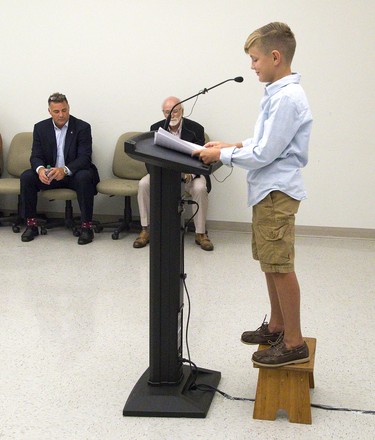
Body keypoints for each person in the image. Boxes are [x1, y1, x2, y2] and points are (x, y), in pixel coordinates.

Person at [193, 22, 312, 367]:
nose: (252, 66)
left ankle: (293, 342)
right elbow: (263, 142)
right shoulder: (277, 93)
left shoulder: (288, 98)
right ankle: (277, 326)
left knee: (280, 266)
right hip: (267, 190)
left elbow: (264, 154)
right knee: (269, 262)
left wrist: (222, 155)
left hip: (276, 191)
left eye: (255, 59)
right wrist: (232, 145)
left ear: (276, 57)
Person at [133, 96, 214, 251]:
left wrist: (190, 172)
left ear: (182, 111)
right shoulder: (156, 128)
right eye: (167, 112)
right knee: (144, 184)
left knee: (200, 188)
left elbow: (202, 157)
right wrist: (160, 173)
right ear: (163, 114)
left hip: (190, 174)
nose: (172, 115)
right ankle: (146, 229)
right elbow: (149, 157)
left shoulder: (196, 128)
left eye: (175, 111)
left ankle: (200, 233)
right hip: (163, 173)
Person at [20, 93, 100, 245]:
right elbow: (35, 156)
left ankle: (86, 227)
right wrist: (41, 170)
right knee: (27, 177)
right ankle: (31, 225)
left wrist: (65, 170)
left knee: (85, 177)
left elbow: (85, 158)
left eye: (64, 110)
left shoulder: (82, 127)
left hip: (73, 174)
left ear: (68, 107)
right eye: (56, 111)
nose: (61, 115)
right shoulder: (40, 128)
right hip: (51, 174)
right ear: (49, 111)